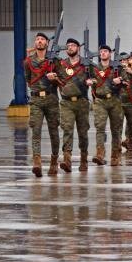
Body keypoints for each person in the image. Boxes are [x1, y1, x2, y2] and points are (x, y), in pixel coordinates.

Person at [52, 38, 92, 172]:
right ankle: (67, 160)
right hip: (66, 102)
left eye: (73, 45)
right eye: (68, 45)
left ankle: (83, 160)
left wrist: (92, 81)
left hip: (82, 102)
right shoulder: (61, 64)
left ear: (78, 48)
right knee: (67, 129)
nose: (70, 47)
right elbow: (50, 71)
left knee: (83, 132)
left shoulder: (86, 64)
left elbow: (98, 76)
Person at [23, 33, 60, 177]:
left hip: (51, 99)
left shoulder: (54, 61)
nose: (39, 41)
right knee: (36, 130)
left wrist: (54, 78)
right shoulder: (28, 62)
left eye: (42, 39)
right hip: (36, 100)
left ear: (47, 43)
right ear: (35, 43)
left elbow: (62, 80)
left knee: (53, 131)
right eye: (37, 39)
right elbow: (28, 79)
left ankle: (54, 162)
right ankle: (36, 162)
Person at [91, 45, 124, 166]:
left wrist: (120, 79)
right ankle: (100, 154)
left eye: (105, 51)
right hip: (100, 101)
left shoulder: (117, 67)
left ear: (110, 54)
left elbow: (126, 80)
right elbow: (92, 82)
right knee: (100, 127)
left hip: (114, 100)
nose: (103, 53)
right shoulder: (94, 68)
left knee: (116, 129)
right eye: (101, 52)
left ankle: (115, 156)